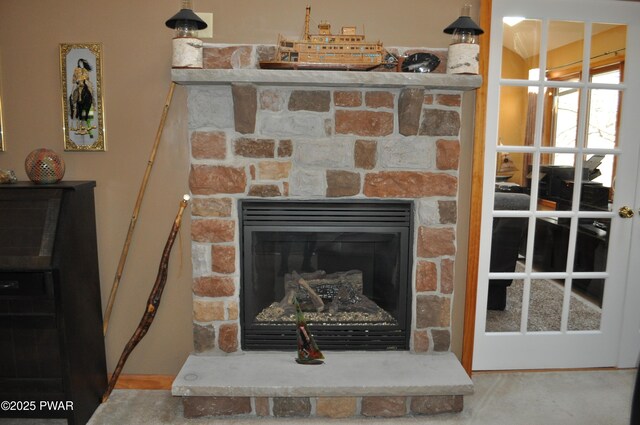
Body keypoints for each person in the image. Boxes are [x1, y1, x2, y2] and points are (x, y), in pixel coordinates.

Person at [69, 58, 96, 135]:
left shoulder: (86, 71)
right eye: (81, 63)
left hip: (85, 83)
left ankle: (93, 104)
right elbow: (73, 79)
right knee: (72, 92)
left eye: (83, 63)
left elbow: (88, 78)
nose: (82, 64)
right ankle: (74, 106)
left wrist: (85, 81)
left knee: (91, 90)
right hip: (78, 83)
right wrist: (77, 81)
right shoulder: (76, 70)